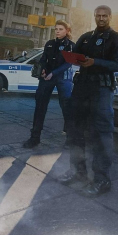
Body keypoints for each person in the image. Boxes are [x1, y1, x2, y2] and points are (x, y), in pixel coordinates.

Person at [58, 5, 118, 197]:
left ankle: (102, 180)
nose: (101, 18)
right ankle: (78, 172)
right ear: (94, 16)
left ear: (110, 16)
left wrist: (95, 62)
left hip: (102, 89)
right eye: (98, 15)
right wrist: (72, 57)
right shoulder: (86, 37)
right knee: (75, 130)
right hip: (81, 88)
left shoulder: (117, 39)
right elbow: (75, 55)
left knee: (101, 134)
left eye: (105, 15)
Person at [22, 20, 75, 148]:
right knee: (40, 106)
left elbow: (68, 63)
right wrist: (43, 69)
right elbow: (43, 59)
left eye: (61, 29)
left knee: (66, 107)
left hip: (63, 78)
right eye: (56, 29)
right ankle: (35, 138)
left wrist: (54, 73)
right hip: (47, 78)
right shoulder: (50, 43)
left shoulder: (71, 45)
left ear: (67, 31)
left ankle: (71, 138)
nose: (57, 31)